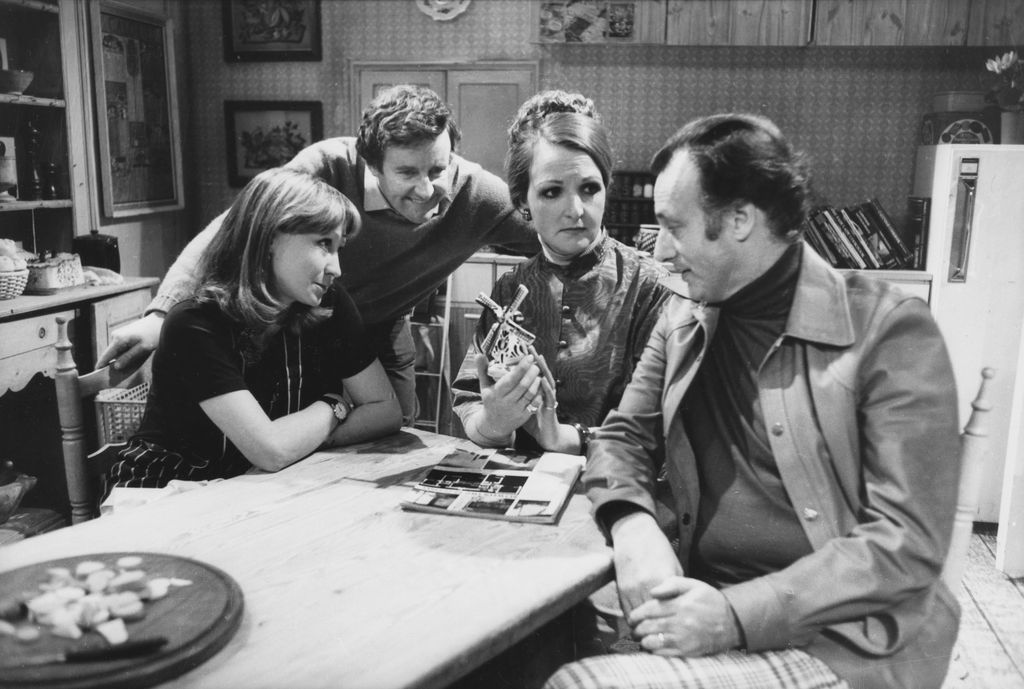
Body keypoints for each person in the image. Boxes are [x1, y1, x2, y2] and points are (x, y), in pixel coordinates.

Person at [544, 114, 961, 689]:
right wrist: (632, 524)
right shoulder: (683, 316)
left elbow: (907, 543)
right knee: (534, 651)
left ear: (740, 220)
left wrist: (732, 617)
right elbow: (623, 438)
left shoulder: (889, 332)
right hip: (702, 604)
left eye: (673, 226)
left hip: (840, 643)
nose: (659, 249)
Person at [96, 85, 537, 426]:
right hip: (299, 326)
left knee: (394, 430)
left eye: (438, 170)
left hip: (380, 331)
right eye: (407, 172)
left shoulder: (480, 195)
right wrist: (161, 313)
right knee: (293, 442)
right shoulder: (325, 166)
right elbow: (230, 229)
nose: (427, 190)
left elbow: (555, 235)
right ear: (371, 164)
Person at [107, 168, 401, 490]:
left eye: (338, 248)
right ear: (271, 237)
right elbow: (271, 450)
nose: (336, 268)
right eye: (323, 244)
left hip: (262, 484)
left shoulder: (327, 303)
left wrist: (302, 441)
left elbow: (386, 410)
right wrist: (335, 405)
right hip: (170, 490)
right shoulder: (195, 322)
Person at [452, 90, 672, 454]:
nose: (576, 210)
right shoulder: (510, 290)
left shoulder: (649, 287)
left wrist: (567, 438)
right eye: (552, 192)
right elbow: (471, 401)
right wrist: (494, 423)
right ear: (523, 201)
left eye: (589, 188)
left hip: (615, 491)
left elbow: (668, 426)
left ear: (607, 189)